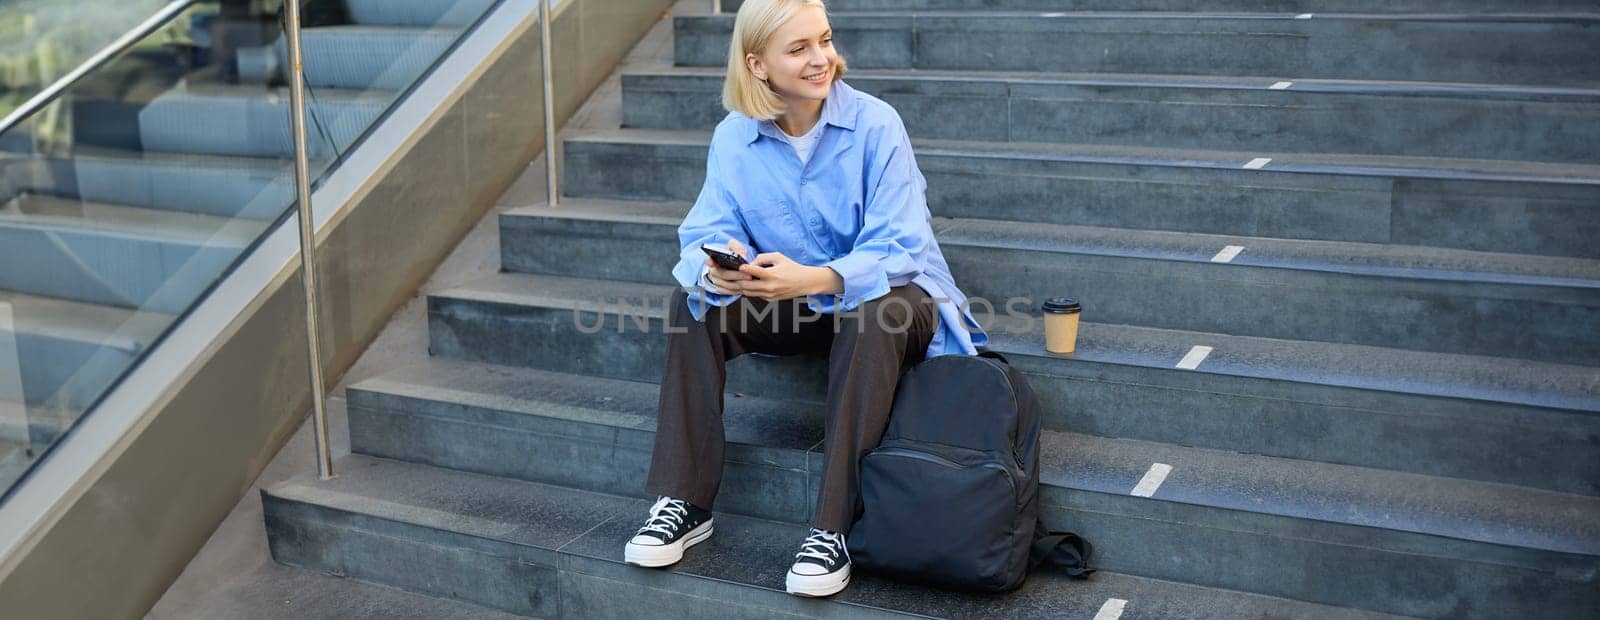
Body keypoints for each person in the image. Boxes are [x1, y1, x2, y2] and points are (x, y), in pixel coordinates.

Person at [621, 0, 987, 598]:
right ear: (757, 64)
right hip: (798, 304)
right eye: (800, 49)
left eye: (824, 39)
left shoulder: (875, 124)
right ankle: (684, 501)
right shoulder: (734, 139)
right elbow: (699, 237)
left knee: (875, 312)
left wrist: (813, 279)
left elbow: (902, 250)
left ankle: (833, 526)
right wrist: (721, 273)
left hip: (896, 304)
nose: (823, 59)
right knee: (690, 305)